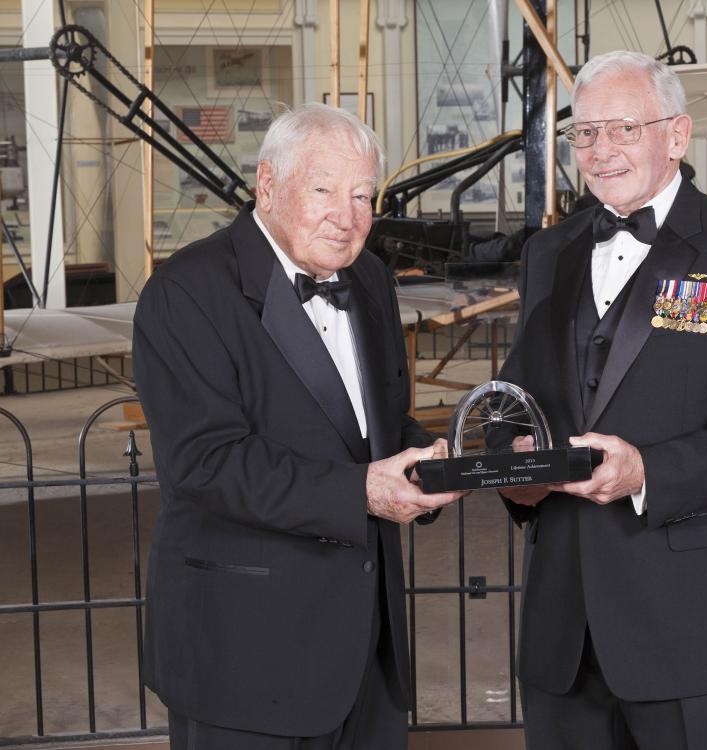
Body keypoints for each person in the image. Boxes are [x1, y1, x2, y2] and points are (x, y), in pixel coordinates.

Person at [498, 51, 707, 749]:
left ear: (677, 135)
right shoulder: (548, 252)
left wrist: (647, 472)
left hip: (694, 624)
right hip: (564, 630)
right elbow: (516, 399)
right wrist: (512, 471)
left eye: (622, 129)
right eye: (584, 133)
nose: (600, 151)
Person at [133, 104, 462, 750]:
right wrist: (363, 490)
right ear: (268, 185)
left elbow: (375, 426)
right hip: (245, 660)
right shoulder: (186, 293)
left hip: (368, 657)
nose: (348, 216)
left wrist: (442, 459)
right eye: (324, 191)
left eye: (364, 195)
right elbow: (206, 464)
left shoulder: (369, 279)